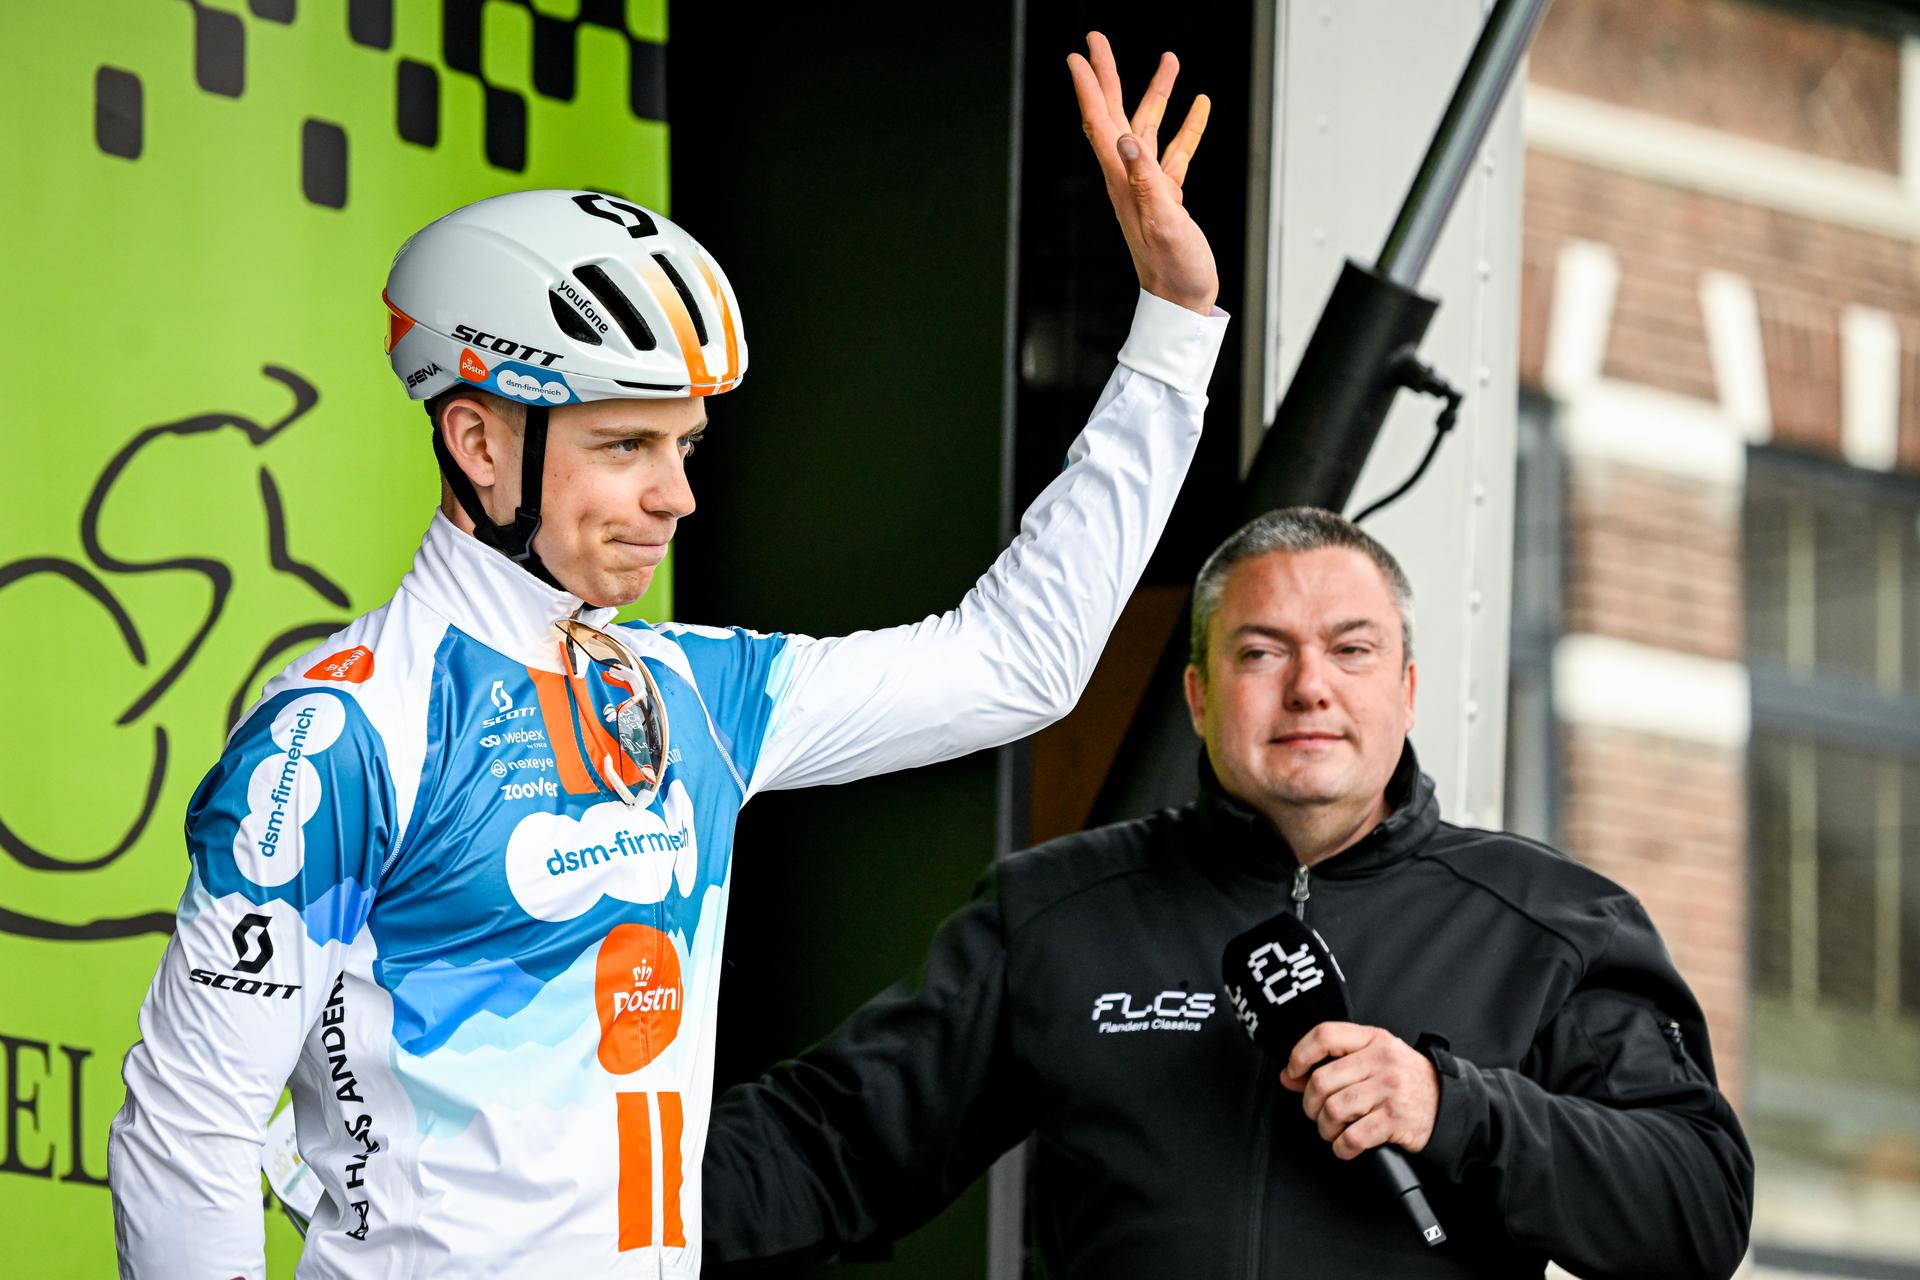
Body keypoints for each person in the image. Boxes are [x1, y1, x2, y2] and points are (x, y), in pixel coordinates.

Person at [107, 33, 1226, 1279]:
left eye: (685, 446)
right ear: (480, 444)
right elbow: (187, 1131)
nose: (677, 496)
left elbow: (1017, 663)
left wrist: (1174, 329)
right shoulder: (347, 732)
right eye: (627, 446)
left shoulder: (690, 691)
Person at [701, 507, 1755, 1280]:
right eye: (1263, 651)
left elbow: (1696, 1208)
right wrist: (575, 1174)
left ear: (1406, 687)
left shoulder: (1554, 922)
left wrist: (1454, 1107)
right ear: (1200, 695)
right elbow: (830, 1145)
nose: (1310, 685)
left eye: (1352, 649)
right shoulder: (1060, 908)